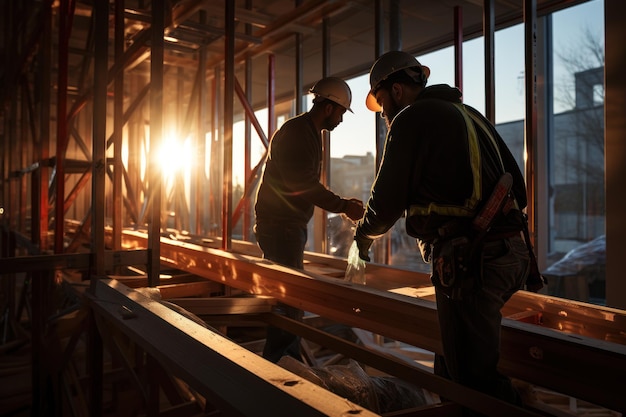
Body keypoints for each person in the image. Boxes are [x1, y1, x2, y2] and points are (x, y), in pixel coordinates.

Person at [353, 51, 543, 413]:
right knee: (451, 364)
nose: (383, 116)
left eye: (381, 105)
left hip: (473, 263)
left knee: (473, 380)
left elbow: (386, 199)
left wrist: (363, 237)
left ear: (395, 90)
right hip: (510, 254)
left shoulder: (412, 118)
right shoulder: (471, 115)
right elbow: (518, 189)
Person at [254, 76, 365, 363]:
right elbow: (301, 183)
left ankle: (284, 361)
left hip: (285, 225)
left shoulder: (307, 132)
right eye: (341, 112)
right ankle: (282, 367)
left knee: (287, 298)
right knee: (289, 300)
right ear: (329, 108)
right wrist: (343, 205)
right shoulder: (298, 133)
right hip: (281, 226)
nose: (341, 119)